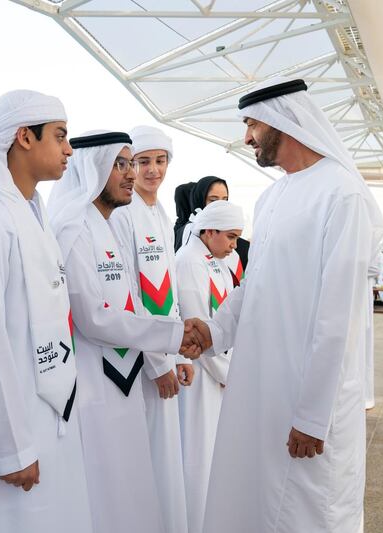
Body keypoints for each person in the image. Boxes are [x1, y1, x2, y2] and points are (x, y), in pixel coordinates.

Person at [195, 77, 383, 532]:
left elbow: (338, 315)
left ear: (282, 120)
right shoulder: (272, 197)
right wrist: (214, 331)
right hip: (262, 387)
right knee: (258, 503)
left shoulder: (344, 194)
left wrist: (313, 415)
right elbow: (254, 285)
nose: (246, 138)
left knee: (311, 510)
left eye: (252, 124)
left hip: (309, 397)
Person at [0, 90, 92, 532]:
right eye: (60, 136)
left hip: (53, 418)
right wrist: (11, 447)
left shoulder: (33, 215)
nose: (69, 149)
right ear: (24, 137)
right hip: (14, 430)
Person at [47, 130, 203, 533]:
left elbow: (131, 301)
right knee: (105, 494)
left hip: (123, 379)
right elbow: (94, 317)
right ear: (91, 168)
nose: (132, 173)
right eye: (121, 164)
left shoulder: (105, 224)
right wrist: (172, 338)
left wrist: (173, 345)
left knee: (131, 489)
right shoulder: (73, 227)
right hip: (93, 385)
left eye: (131, 163)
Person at [110, 125, 189, 533]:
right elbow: (129, 293)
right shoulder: (124, 215)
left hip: (164, 353)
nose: (153, 170)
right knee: (152, 452)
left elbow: (167, 292)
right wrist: (159, 361)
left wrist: (176, 354)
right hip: (142, 363)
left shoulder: (159, 214)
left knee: (168, 451)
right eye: (143, 161)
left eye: (160, 161)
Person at [175, 200, 244, 533]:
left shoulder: (219, 261)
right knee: (198, 457)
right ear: (210, 230)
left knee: (216, 456)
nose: (233, 245)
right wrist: (229, 375)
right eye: (230, 237)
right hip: (200, 376)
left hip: (220, 375)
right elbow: (198, 330)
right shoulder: (188, 262)